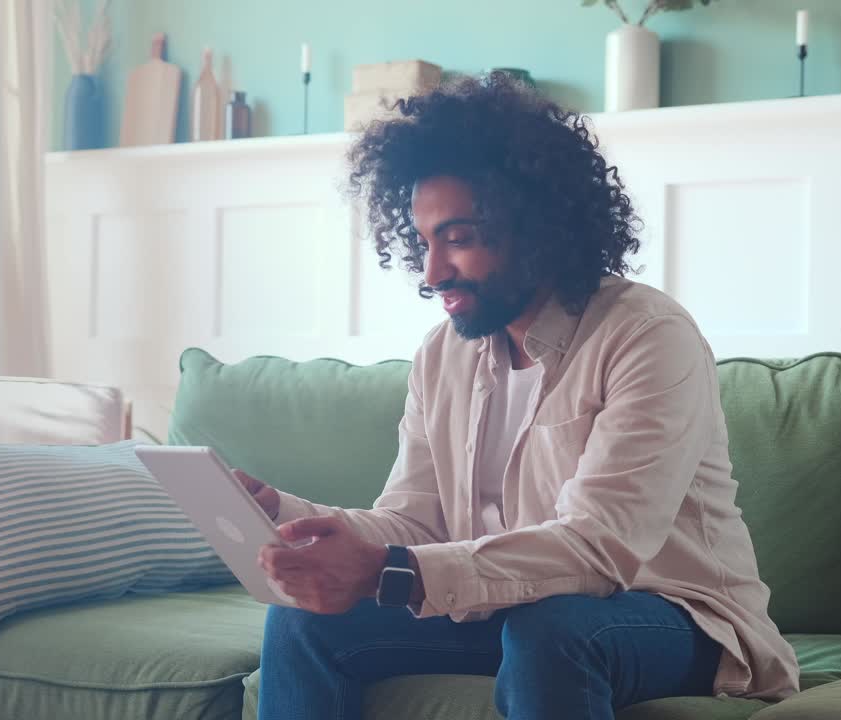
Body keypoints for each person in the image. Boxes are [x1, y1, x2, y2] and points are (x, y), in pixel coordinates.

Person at [233, 74, 799, 720]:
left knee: (552, 630)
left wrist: (390, 572)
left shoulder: (647, 335)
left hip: (675, 614)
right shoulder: (442, 356)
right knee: (303, 623)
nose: (431, 273)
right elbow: (415, 523)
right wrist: (291, 518)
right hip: (511, 607)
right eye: (424, 240)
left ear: (534, 226)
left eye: (460, 237)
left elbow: (599, 547)